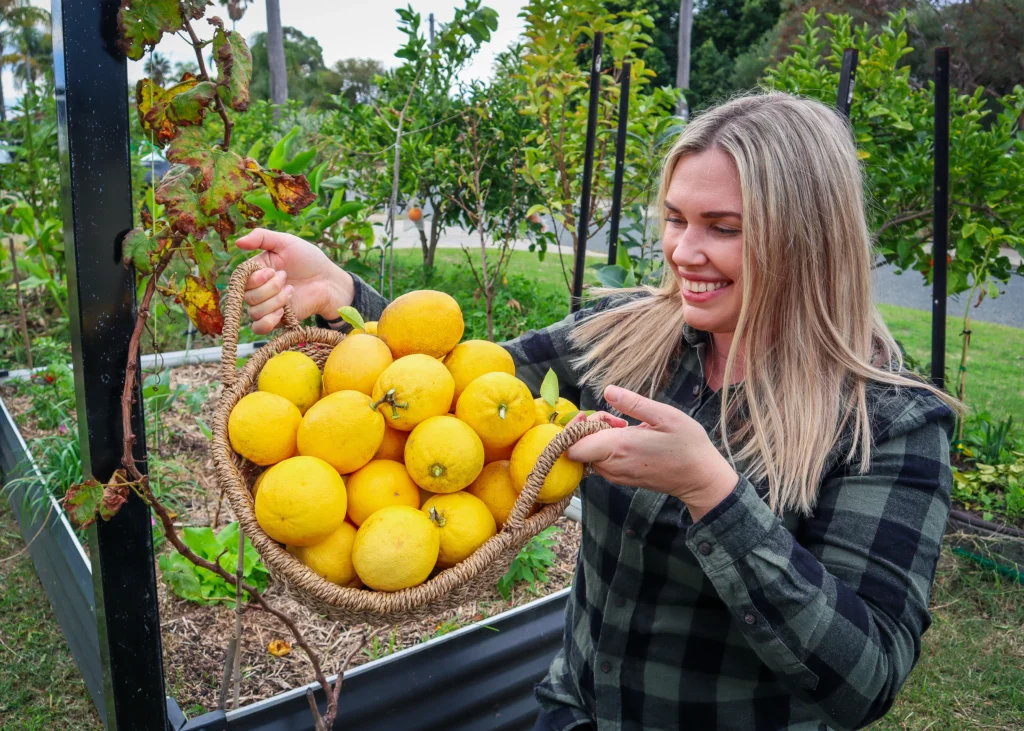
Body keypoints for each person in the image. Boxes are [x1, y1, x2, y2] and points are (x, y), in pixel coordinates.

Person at [234, 93, 960, 731]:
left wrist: (714, 493)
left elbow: (865, 678)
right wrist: (344, 297)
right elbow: (466, 386)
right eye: (675, 218)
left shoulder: (889, 421)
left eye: (724, 227)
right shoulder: (629, 336)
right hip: (574, 709)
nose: (683, 250)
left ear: (807, 235)